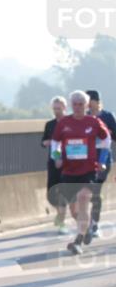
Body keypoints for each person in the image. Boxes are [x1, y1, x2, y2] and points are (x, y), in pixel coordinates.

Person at [50, 90, 112, 255]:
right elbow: (55, 142)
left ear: (87, 105)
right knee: (74, 210)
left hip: (88, 169)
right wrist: (57, 157)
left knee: (83, 198)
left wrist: (102, 160)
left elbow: (106, 140)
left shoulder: (93, 122)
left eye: (81, 105)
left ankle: (78, 241)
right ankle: (88, 226)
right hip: (69, 170)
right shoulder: (64, 123)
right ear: (71, 105)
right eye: (75, 104)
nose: (78, 108)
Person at [86, 89, 116, 237]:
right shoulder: (83, 118)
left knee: (95, 192)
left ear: (95, 101)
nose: (85, 105)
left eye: (87, 101)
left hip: (103, 159)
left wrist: (106, 132)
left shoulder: (108, 116)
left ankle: (94, 224)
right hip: (85, 160)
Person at [41, 96, 69, 233]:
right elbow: (44, 141)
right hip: (53, 162)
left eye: (59, 108)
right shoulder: (50, 124)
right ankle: (60, 214)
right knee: (52, 192)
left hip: (68, 162)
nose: (56, 111)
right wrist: (48, 142)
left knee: (63, 191)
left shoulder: (70, 123)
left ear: (65, 108)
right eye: (54, 109)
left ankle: (62, 222)